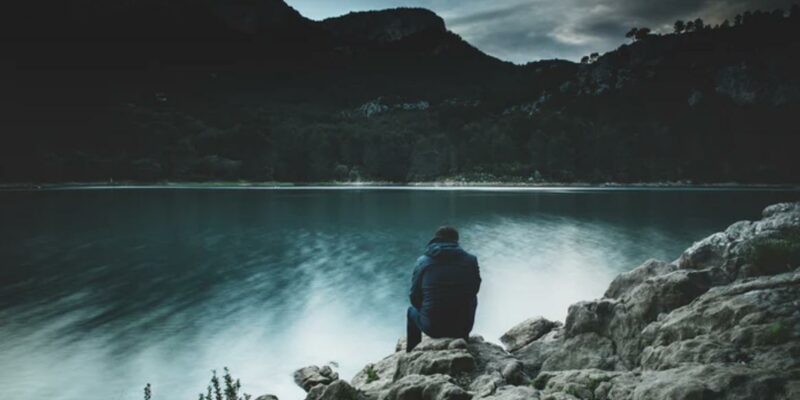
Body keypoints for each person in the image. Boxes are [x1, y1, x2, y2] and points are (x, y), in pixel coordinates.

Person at [407, 226, 481, 352]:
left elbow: (414, 296)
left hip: (433, 328)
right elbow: (474, 289)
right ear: (456, 241)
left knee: (411, 311)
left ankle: (413, 352)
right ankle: (464, 339)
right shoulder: (471, 260)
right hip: (461, 328)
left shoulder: (423, 261)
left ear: (436, 240)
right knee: (472, 298)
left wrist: (426, 310)